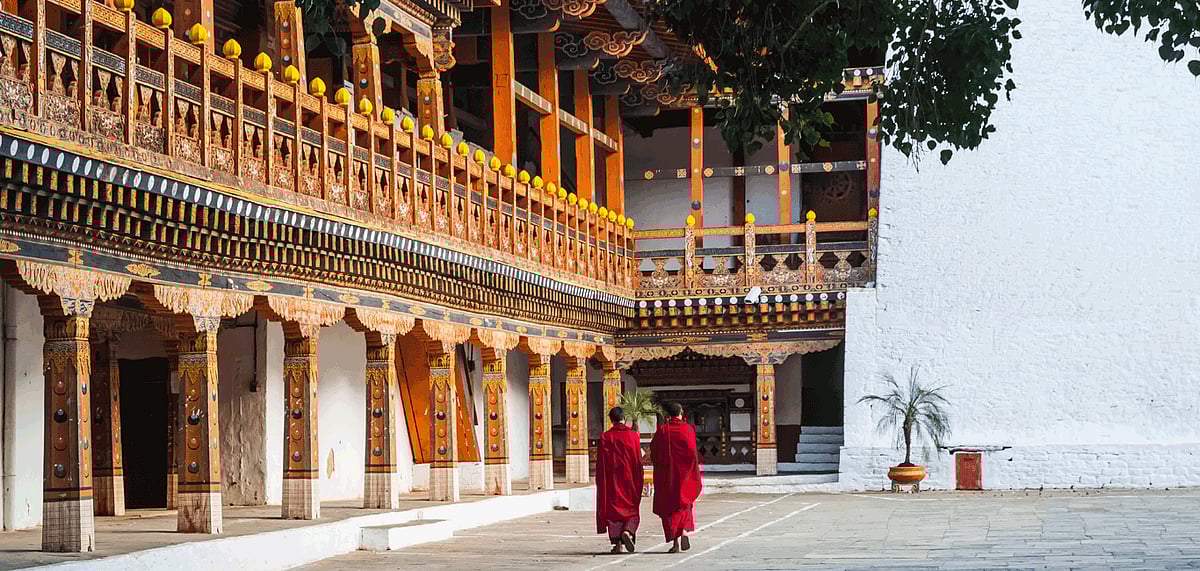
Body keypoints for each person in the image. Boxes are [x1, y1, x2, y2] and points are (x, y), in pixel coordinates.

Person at [651, 401, 702, 553]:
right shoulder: (687, 429)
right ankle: (685, 531)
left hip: (667, 476)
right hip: (685, 475)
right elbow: (693, 453)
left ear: (668, 415)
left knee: (669, 507)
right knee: (684, 504)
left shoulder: (662, 431)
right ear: (681, 413)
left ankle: (675, 543)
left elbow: (654, 452)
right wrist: (692, 471)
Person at [595, 407, 645, 553]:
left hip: (612, 481)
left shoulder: (605, 437)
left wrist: (601, 482)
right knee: (631, 509)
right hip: (630, 480)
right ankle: (627, 532)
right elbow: (638, 461)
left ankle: (618, 545)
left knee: (614, 512)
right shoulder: (633, 436)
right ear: (624, 418)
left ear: (611, 420)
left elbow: (601, 464)